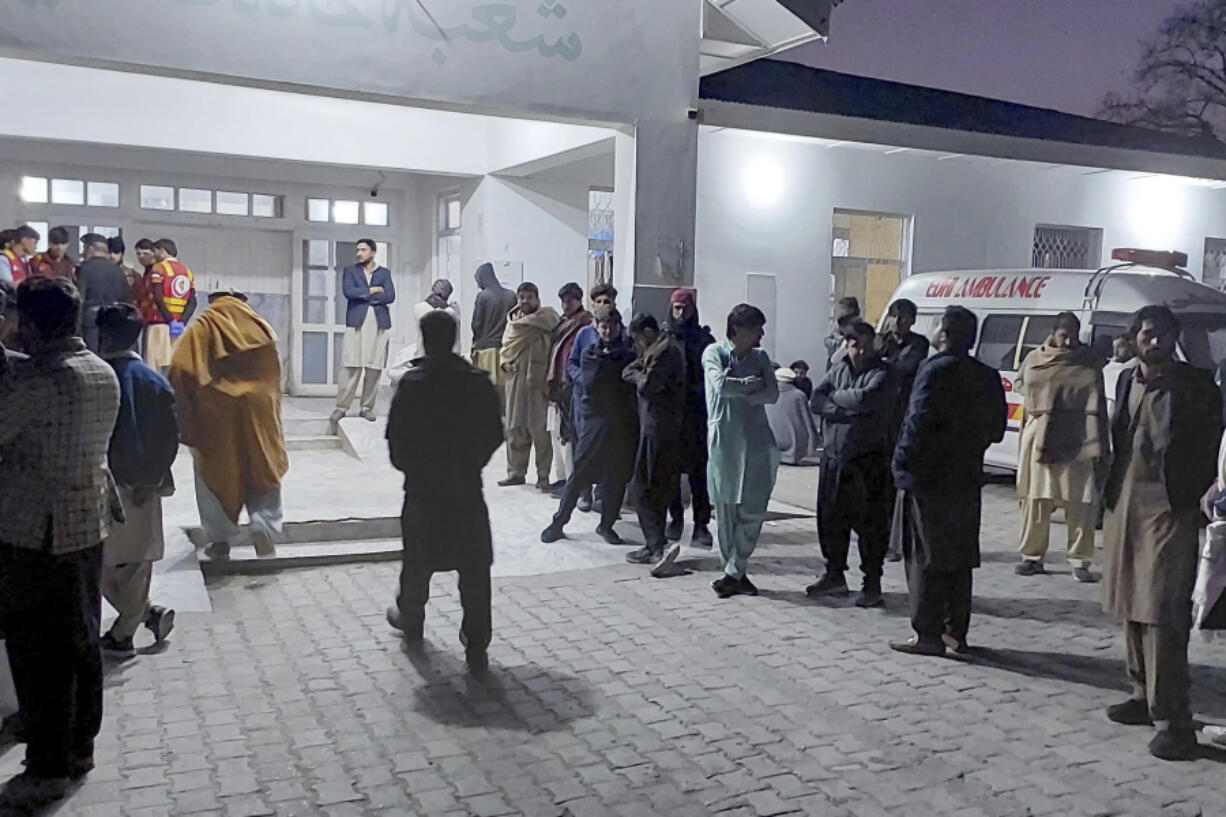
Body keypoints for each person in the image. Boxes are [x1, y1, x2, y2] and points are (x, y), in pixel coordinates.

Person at [0, 277, 120, 807]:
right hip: (85, 526)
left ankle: (47, 766)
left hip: (36, 531)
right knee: (79, 643)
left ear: (28, 323)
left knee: (38, 655)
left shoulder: (39, 381)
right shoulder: (101, 371)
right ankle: (78, 749)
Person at [1101, 305, 1221, 761]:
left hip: (1172, 508)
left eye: (1164, 334)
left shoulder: (1196, 387)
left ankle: (1174, 719)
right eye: (1148, 334)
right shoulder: (1127, 378)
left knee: (1162, 609)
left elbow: (1214, 441)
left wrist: (1210, 488)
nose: (1157, 342)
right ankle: (1141, 693)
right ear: (1134, 339)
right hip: (1125, 504)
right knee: (1127, 599)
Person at [385, 310, 504, 674]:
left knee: (417, 563)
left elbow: (396, 441)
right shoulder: (476, 381)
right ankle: (477, 642)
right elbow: (494, 433)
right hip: (465, 490)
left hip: (423, 491)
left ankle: (412, 620)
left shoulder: (413, 384)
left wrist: (415, 469)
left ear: (425, 338)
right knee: (474, 568)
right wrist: (471, 464)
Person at [889, 306, 1006, 657]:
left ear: (944, 333)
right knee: (959, 557)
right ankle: (957, 632)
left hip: (928, 478)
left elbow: (918, 421)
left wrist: (901, 463)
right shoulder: (986, 375)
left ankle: (927, 632)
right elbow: (998, 429)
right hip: (967, 477)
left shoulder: (934, 370)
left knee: (925, 555)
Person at [169, 290, 288, 561]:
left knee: (215, 474)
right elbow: (273, 371)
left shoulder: (202, 326)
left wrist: (189, 406)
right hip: (259, 411)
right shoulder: (260, 326)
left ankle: (220, 540)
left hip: (216, 415)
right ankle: (264, 525)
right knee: (263, 466)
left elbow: (178, 368)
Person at [94, 304, 178, 657]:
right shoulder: (155, 381)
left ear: (103, 335)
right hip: (144, 484)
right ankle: (139, 618)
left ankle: (126, 631)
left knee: (99, 561)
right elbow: (170, 436)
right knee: (135, 561)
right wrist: (154, 478)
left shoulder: (96, 378)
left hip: (103, 483)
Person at [807, 320, 897, 607]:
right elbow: (816, 399)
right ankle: (834, 575)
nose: (860, 349)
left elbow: (866, 398)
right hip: (834, 458)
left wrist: (836, 401)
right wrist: (840, 407)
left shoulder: (884, 373)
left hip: (868, 460)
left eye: (866, 342)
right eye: (855, 343)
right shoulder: (839, 368)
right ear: (846, 344)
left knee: (870, 524)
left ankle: (872, 583)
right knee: (831, 520)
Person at [1015, 312, 1109, 583]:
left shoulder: (1088, 360)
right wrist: (1042, 403)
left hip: (1078, 436)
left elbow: (1097, 398)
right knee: (1036, 499)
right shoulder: (1034, 359)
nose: (1068, 341)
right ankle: (1032, 556)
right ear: (1053, 333)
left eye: (1073, 334)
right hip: (1040, 434)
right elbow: (1023, 382)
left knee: (1080, 501)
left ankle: (1080, 559)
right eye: (1063, 335)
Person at [541, 306, 638, 546]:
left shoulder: (627, 353)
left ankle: (606, 525)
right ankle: (559, 522)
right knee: (580, 473)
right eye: (603, 326)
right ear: (596, 326)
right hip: (595, 421)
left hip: (621, 423)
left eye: (611, 326)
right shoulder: (590, 353)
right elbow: (593, 380)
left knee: (616, 478)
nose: (607, 331)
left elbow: (628, 380)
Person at [704, 304, 780, 599]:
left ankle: (735, 571)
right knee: (725, 509)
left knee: (753, 508)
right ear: (738, 329)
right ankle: (733, 571)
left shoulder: (761, 358)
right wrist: (750, 384)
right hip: (725, 441)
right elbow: (721, 386)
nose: (761, 334)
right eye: (756, 328)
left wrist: (742, 388)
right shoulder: (715, 353)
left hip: (758, 442)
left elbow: (772, 394)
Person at [623, 314, 687, 574]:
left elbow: (647, 385)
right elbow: (628, 369)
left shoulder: (665, 352)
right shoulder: (656, 349)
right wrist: (639, 372)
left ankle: (656, 546)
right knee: (651, 486)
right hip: (655, 427)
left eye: (639, 338)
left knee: (645, 487)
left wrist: (640, 376)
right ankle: (653, 545)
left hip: (660, 429)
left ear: (648, 332)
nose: (637, 344)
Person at [664, 288, 716, 548]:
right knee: (671, 472)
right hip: (671, 417)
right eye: (676, 308)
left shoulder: (704, 341)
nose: (680, 313)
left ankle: (701, 524)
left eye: (684, 308)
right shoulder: (664, 339)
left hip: (696, 417)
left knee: (698, 474)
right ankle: (675, 518)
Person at [498, 282, 559, 489]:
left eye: (529, 297)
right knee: (515, 428)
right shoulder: (512, 323)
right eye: (522, 297)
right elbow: (505, 349)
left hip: (538, 383)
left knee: (540, 431)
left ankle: (543, 476)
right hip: (515, 382)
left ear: (537, 298)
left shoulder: (547, 319)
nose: (525, 301)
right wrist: (505, 364)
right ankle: (515, 472)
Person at [566, 283, 620, 513]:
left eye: (607, 301)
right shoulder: (584, 334)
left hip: (608, 405)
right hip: (584, 401)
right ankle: (584, 493)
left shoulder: (619, 332)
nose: (602, 305)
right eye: (598, 302)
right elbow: (571, 362)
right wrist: (582, 379)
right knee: (583, 450)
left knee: (608, 452)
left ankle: (601, 496)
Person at [333, 239, 395, 422]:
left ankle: (366, 407)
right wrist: (372, 291)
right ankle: (341, 407)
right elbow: (349, 292)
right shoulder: (351, 271)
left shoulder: (384, 273)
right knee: (350, 366)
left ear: (373, 252)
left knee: (374, 368)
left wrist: (367, 297)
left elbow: (390, 296)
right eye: (357, 250)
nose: (359, 253)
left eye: (363, 250)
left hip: (379, 324)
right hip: (356, 323)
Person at [546, 282, 592, 494]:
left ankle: (574, 482)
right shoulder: (564, 323)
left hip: (572, 384)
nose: (565, 305)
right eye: (563, 301)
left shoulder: (584, 324)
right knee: (557, 433)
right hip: (558, 383)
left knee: (570, 435)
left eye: (569, 301)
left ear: (579, 300)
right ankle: (562, 477)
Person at [877, 298, 930, 445]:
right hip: (879, 407)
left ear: (912, 321)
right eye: (894, 316)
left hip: (904, 407)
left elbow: (907, 367)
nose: (897, 321)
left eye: (903, 317)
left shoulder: (919, 343)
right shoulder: (878, 342)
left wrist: (885, 364)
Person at [144, 239, 196, 374]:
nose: (154, 255)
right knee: (174, 368)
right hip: (179, 329)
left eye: (155, 251)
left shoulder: (159, 268)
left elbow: (158, 297)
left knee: (154, 368)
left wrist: (169, 320)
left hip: (159, 324)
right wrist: (181, 322)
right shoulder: (187, 272)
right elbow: (192, 302)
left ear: (162, 251)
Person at [470, 262, 518, 403]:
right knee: (506, 393)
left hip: (486, 350)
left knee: (486, 393)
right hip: (508, 349)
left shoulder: (483, 297)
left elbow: (477, 324)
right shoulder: (511, 295)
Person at [76, 233, 132, 353]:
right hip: (113, 321)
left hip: (91, 322)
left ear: (90, 249)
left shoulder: (85, 268)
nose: (83, 252)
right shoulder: (119, 271)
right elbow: (126, 298)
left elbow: (80, 297)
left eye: (84, 248)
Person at [765, 367, 820, 466]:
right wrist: (813, 445)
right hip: (794, 449)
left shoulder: (768, 394)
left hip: (770, 445)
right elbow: (809, 423)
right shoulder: (799, 396)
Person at [411, 279, 460, 356]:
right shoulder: (451, 312)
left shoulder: (418, 307)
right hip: (447, 357)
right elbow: (456, 340)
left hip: (422, 354)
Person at [824, 296, 860, 371]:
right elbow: (827, 340)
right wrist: (835, 343)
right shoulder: (837, 323)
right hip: (834, 359)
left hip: (850, 361)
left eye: (844, 308)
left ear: (852, 309)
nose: (841, 311)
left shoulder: (859, 324)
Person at [1105, 335, 1136, 419]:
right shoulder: (1108, 368)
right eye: (1114, 347)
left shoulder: (1135, 367)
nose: (1115, 351)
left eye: (1120, 347)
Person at [109, 236, 142, 304]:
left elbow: (139, 299)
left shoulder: (133, 275)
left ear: (122, 254)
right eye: (109, 252)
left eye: (116, 252)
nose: (111, 255)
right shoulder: (98, 274)